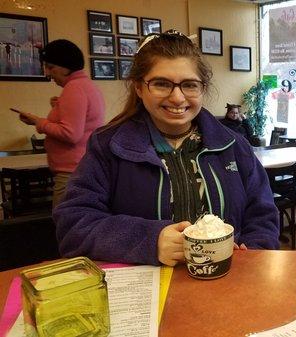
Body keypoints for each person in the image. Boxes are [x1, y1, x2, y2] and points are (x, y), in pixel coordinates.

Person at [53, 30, 280, 266]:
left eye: (189, 85)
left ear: (202, 89)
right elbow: (73, 225)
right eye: (161, 84)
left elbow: (263, 215)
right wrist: (150, 240)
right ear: (139, 88)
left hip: (225, 284)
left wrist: (253, 251)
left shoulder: (234, 145)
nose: (177, 98)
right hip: (145, 292)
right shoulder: (108, 147)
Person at [15, 39, 105, 207]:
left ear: (66, 66)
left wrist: (38, 122)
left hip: (71, 172)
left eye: (50, 67)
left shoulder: (74, 88)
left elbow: (71, 134)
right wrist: (58, 107)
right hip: (81, 168)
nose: (47, 73)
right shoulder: (85, 86)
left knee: (64, 226)